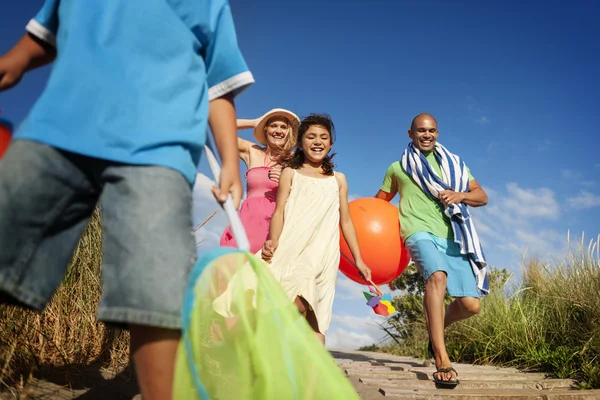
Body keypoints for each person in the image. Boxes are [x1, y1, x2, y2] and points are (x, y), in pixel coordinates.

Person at [0, 1, 253, 399]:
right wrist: (14, 60)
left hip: (159, 150)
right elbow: (42, 36)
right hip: (57, 130)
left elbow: (218, 89)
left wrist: (229, 163)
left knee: (156, 278)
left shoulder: (207, 4)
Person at [375, 113, 488, 387]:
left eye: (432, 130)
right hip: (417, 232)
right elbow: (379, 204)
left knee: (471, 306)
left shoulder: (455, 165)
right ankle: (441, 357)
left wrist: (460, 195)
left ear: (437, 133)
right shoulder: (398, 168)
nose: (427, 135)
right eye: (421, 130)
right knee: (436, 276)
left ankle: (436, 329)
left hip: (453, 236)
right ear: (410, 133)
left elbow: (482, 196)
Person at [261, 114, 372, 345]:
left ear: (331, 144)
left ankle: (313, 378)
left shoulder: (338, 179)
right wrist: (272, 240)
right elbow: (279, 211)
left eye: (324, 137)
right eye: (311, 136)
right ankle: (265, 350)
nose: (317, 141)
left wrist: (359, 260)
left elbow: (347, 222)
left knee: (317, 316)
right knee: (295, 300)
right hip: (292, 247)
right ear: (300, 142)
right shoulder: (290, 174)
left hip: (323, 253)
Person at [220, 108, 300, 253]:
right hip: (246, 223)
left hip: (276, 228)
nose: (278, 130)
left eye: (283, 127)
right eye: (273, 125)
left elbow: (304, 194)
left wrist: (288, 182)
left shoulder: (295, 161)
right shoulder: (252, 151)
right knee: (234, 271)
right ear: (265, 130)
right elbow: (220, 127)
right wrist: (255, 122)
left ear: (289, 132)